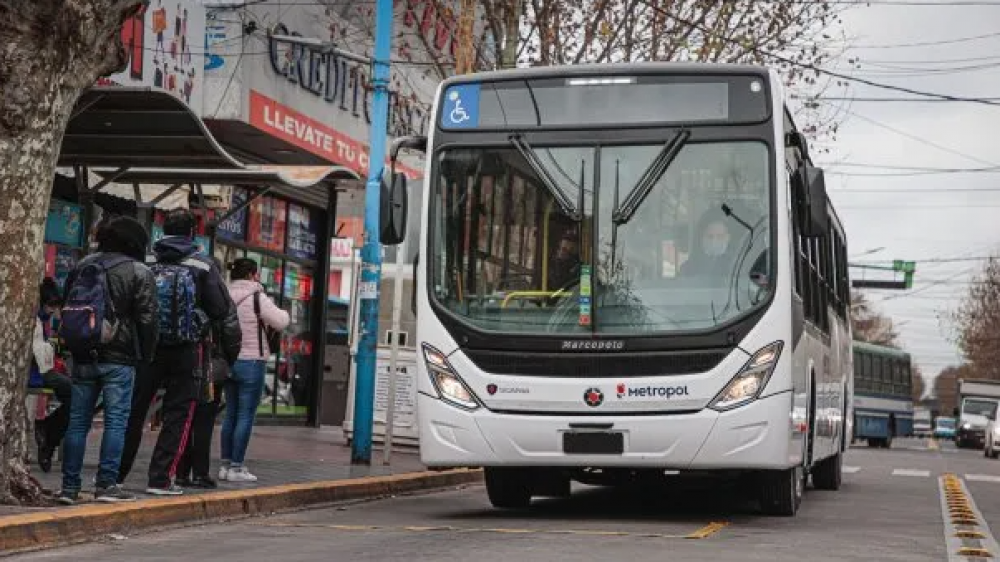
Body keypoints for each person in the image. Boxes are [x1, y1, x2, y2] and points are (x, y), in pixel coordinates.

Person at [118, 209, 230, 496]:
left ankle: (114, 476)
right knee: (178, 415)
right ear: (193, 232)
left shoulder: (146, 259)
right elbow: (221, 309)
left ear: (163, 230)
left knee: (133, 411)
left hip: (147, 348)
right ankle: (160, 479)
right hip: (186, 349)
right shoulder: (202, 264)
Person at [58, 216, 158, 505]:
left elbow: (68, 304)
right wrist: (147, 355)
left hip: (83, 353)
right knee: (116, 421)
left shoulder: (82, 265)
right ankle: (106, 485)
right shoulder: (138, 271)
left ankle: (69, 487)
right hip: (120, 357)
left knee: (78, 422)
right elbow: (148, 319)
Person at [222, 258, 289, 482]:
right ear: (253, 274)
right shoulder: (257, 296)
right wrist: (284, 312)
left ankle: (224, 465)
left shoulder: (224, 294)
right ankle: (236, 467)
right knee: (245, 416)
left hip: (229, 361)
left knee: (230, 414)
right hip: (251, 362)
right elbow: (280, 321)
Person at [176, 257, 241, 489]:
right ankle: (200, 473)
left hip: (181, 363)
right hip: (211, 366)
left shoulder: (182, 293)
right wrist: (226, 361)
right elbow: (232, 334)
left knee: (182, 418)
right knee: (204, 421)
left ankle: (180, 471)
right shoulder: (221, 301)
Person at [30, 278, 73, 473]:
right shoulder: (35, 319)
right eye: (50, 306)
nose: (52, 311)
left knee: (74, 399)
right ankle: (48, 433)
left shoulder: (45, 321)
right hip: (38, 372)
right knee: (75, 394)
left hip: (44, 369)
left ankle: (48, 430)